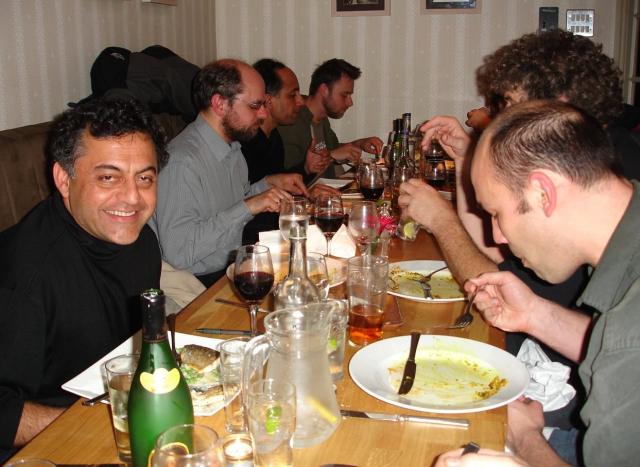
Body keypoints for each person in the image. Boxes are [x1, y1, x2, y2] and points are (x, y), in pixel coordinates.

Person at [461, 100, 638, 466]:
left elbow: (624, 343)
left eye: (496, 213)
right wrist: (534, 314)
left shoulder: (631, 334)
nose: (496, 237)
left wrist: (524, 438)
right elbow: (609, 341)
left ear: (544, 193)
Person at [0, 98, 167, 453]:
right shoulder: (23, 276)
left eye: (144, 178)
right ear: (64, 179)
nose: (132, 198)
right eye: (108, 177)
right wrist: (101, 421)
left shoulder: (142, 242)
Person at [151, 59, 308, 287]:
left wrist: (267, 185)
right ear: (220, 104)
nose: (264, 114)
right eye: (255, 106)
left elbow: (230, 205)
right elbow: (180, 253)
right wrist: (249, 206)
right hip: (195, 283)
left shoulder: (232, 148)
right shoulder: (182, 162)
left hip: (230, 269)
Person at [241, 58, 340, 244]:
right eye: (292, 95)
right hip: (257, 244)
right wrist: (305, 202)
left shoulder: (274, 136)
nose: (301, 101)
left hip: (275, 234)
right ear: (268, 100)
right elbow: (249, 208)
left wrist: (306, 168)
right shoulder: (244, 144)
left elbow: (278, 185)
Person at [278, 58, 383, 181]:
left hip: (330, 188)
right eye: (344, 95)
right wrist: (332, 156)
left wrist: (358, 144)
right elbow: (287, 175)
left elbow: (333, 149)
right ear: (324, 90)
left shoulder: (321, 118)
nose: (350, 103)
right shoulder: (291, 120)